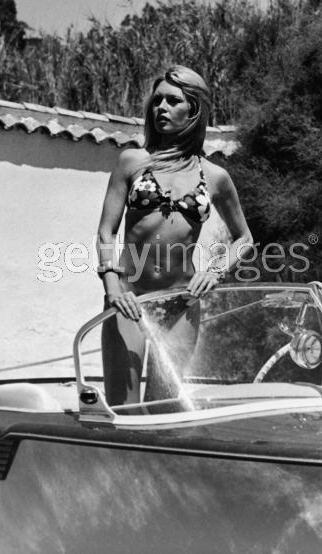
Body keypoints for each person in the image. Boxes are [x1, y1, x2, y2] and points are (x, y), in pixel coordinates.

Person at [97, 65, 253, 406]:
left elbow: (244, 239)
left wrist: (215, 271)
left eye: (172, 101)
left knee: (162, 410)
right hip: (129, 299)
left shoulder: (215, 176)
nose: (161, 108)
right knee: (124, 408)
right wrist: (112, 289)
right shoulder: (132, 162)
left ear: (194, 110)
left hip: (181, 303)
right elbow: (106, 232)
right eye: (157, 101)